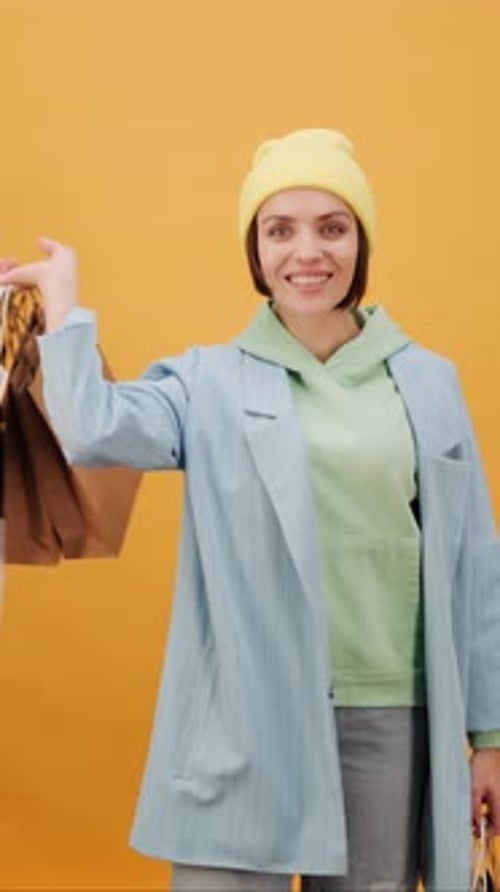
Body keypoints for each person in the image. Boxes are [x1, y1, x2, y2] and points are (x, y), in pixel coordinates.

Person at [1, 129, 500, 892]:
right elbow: (94, 428)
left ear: (361, 244)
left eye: (332, 228)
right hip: (242, 718)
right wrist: (65, 305)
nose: (308, 252)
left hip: (389, 714)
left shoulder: (429, 382)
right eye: (279, 230)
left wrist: (489, 737)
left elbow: (476, 570)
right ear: (255, 251)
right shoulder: (208, 382)